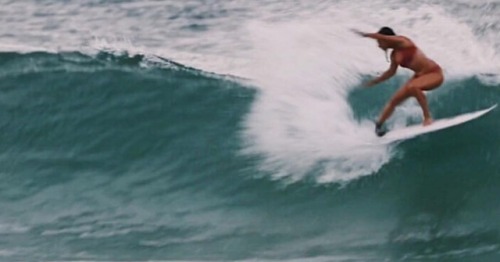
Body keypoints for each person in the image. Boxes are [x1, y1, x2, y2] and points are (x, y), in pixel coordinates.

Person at [353, 27, 444, 136]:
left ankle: (427, 118)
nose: (378, 45)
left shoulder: (403, 41)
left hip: (433, 73)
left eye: (379, 42)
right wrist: (374, 81)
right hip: (418, 76)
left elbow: (381, 36)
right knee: (394, 100)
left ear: (387, 39)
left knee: (413, 86)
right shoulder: (394, 55)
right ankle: (378, 127)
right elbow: (391, 72)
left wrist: (365, 34)